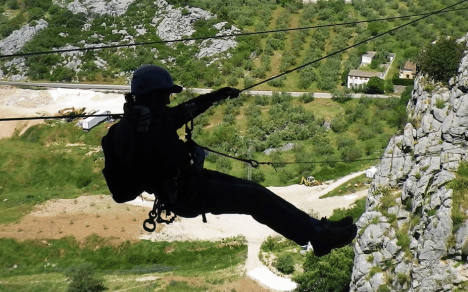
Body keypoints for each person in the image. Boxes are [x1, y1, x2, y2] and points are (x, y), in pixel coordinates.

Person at [101, 64, 357, 256]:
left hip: (191, 182)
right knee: (255, 200)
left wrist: (220, 94)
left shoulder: (158, 119)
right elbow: (125, 190)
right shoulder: (128, 132)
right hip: (184, 195)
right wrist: (140, 137)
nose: (169, 99)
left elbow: (190, 108)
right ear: (153, 96)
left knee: (257, 191)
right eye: (165, 95)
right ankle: (317, 238)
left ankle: (319, 229)